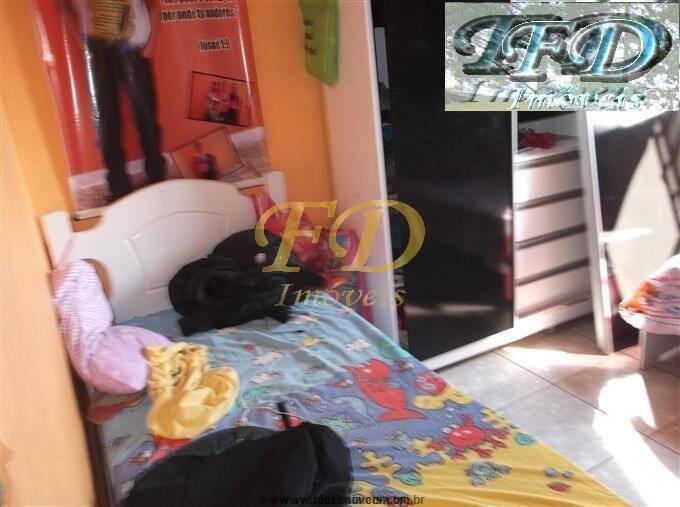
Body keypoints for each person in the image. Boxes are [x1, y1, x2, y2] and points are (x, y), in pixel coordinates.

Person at [64, 0, 167, 201]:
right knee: (107, 120)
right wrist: (83, 45)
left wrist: (150, 46)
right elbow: (64, 5)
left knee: (146, 114)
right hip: (98, 48)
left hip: (133, 45)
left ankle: (157, 178)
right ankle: (118, 187)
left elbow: (154, 6)